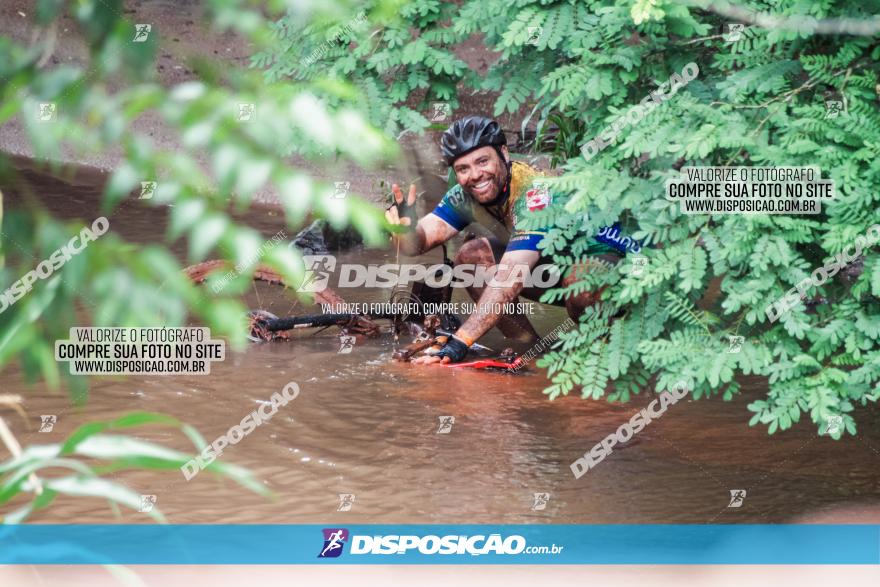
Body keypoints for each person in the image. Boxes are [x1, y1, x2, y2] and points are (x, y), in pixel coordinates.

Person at [386, 116, 636, 365]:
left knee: (583, 280)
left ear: (504, 153)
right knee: (470, 258)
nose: (475, 175)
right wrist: (406, 230)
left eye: (482, 161)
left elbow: (509, 280)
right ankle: (529, 351)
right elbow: (419, 243)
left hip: (622, 272)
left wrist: (460, 342)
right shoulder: (463, 195)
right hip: (557, 268)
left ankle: (601, 358)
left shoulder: (534, 192)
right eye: (463, 169)